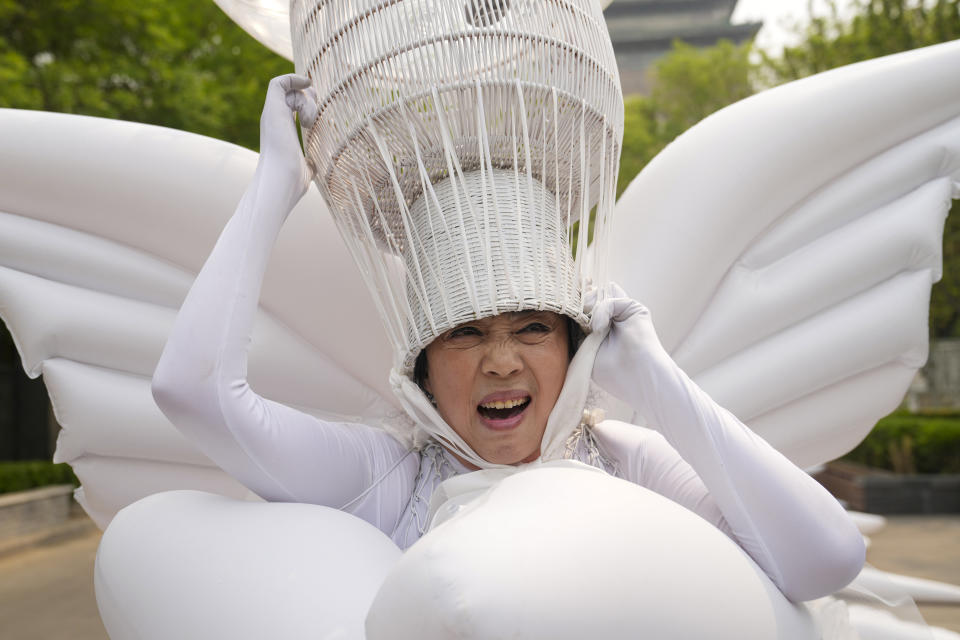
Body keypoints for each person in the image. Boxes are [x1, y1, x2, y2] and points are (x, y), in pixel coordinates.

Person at [151, 74, 865, 604]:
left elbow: (825, 559)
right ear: (424, 367)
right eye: (464, 333)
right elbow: (194, 391)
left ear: (571, 346)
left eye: (532, 327)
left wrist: (656, 379)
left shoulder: (630, 462)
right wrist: (274, 183)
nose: (500, 361)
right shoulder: (385, 481)